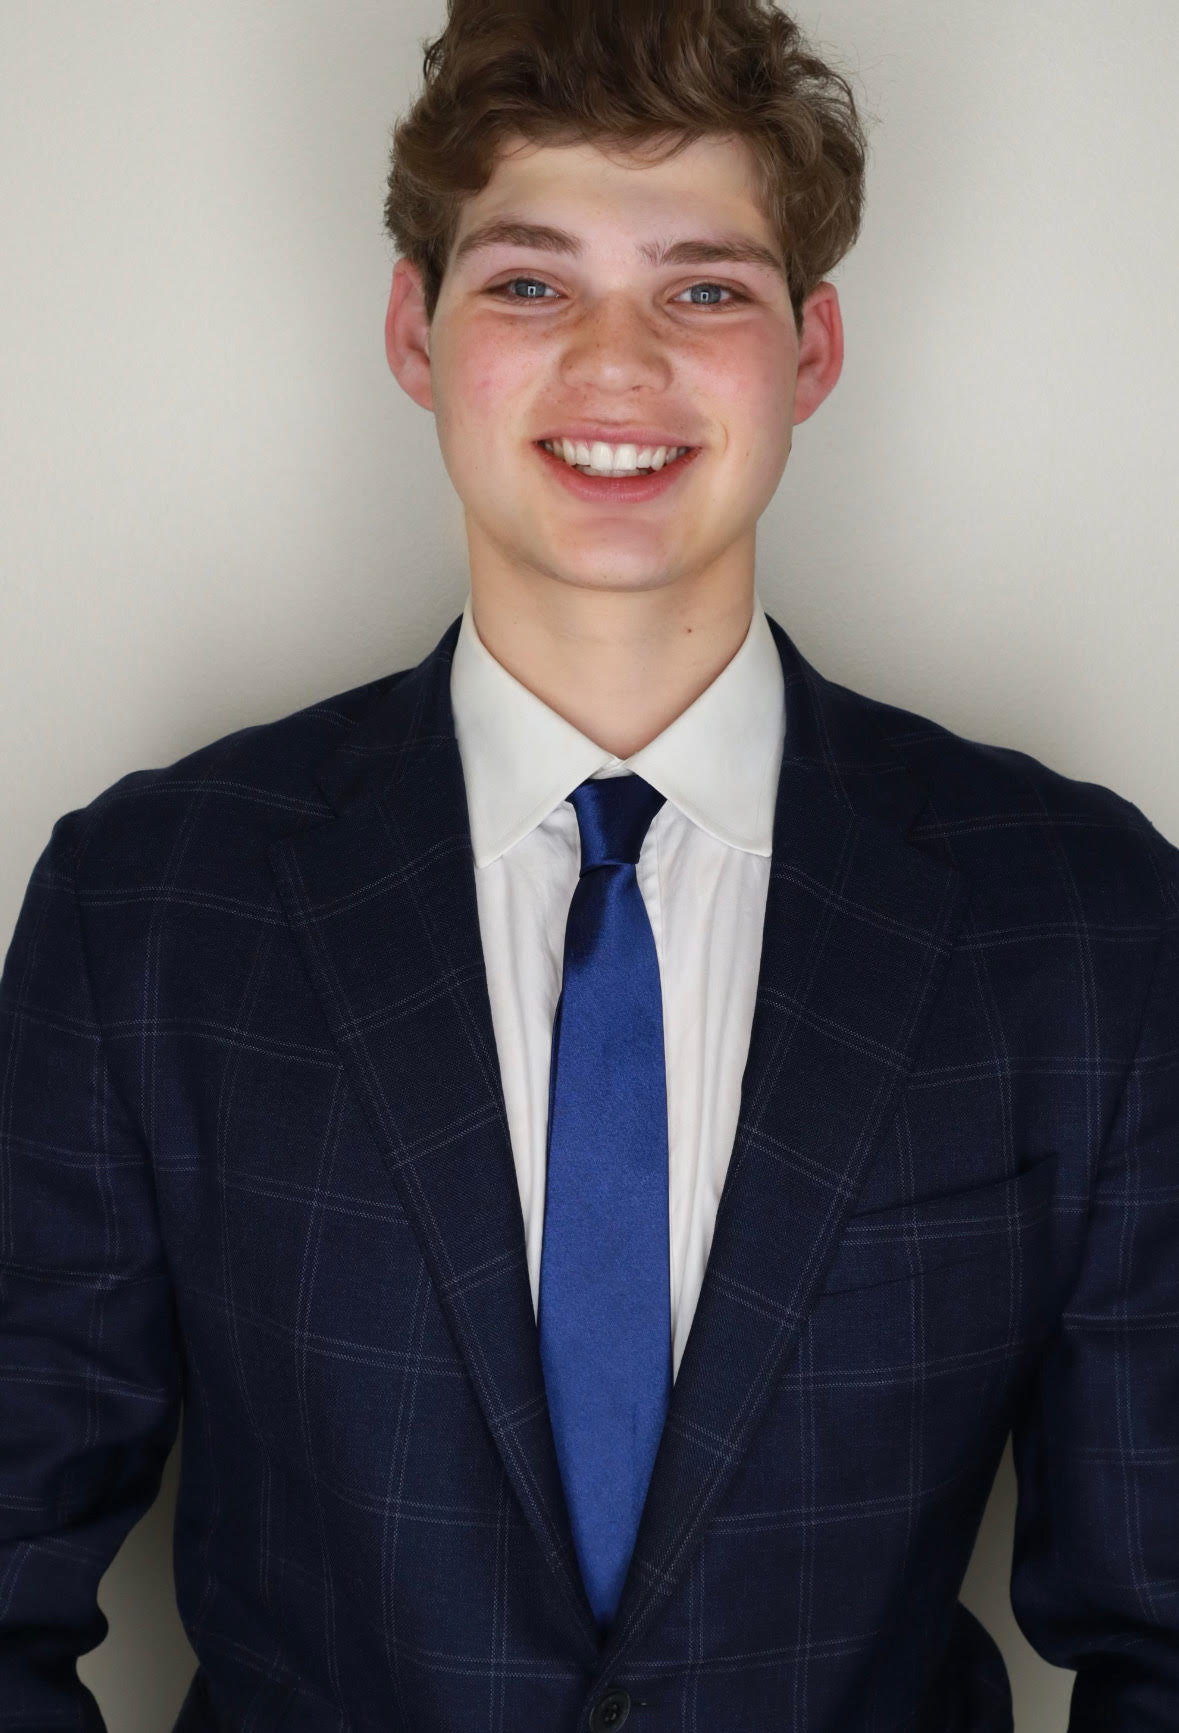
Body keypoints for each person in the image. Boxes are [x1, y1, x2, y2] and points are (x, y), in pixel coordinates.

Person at [1, 0, 1176, 1727]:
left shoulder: (1080, 920)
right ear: (415, 329)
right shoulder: (152, 913)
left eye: (704, 286)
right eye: (531, 282)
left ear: (811, 349)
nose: (617, 365)